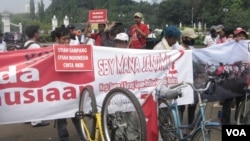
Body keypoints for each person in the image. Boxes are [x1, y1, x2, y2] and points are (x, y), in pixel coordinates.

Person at [221, 27, 248, 125]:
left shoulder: (247, 47)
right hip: (231, 79)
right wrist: (233, 41)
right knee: (228, 102)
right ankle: (225, 123)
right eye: (239, 35)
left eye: (243, 35)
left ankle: (239, 121)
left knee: (240, 102)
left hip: (242, 79)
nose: (241, 37)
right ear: (235, 36)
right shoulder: (230, 45)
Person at [23, 25, 50, 127]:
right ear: (35, 34)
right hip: (35, 73)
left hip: (28, 73)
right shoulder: (35, 46)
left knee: (29, 96)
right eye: (38, 32)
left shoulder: (26, 44)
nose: (39, 34)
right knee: (36, 96)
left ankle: (29, 118)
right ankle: (36, 120)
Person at [178, 27, 199, 124]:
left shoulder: (193, 49)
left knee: (193, 104)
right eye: (191, 38)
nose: (193, 40)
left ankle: (191, 125)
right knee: (181, 106)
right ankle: (178, 127)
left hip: (192, 81)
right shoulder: (177, 49)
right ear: (184, 38)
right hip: (181, 81)